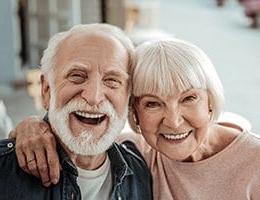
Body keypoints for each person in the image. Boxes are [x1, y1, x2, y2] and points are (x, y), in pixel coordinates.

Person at [11, 38, 260, 199]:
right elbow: (80, 134)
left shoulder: (254, 163)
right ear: (135, 115)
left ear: (210, 101)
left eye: (189, 99)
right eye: (153, 104)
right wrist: (33, 126)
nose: (173, 121)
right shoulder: (140, 152)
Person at [0, 24, 153, 200]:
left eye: (111, 80)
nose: (94, 97)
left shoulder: (141, 172)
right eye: (77, 76)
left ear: (128, 97)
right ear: (46, 90)